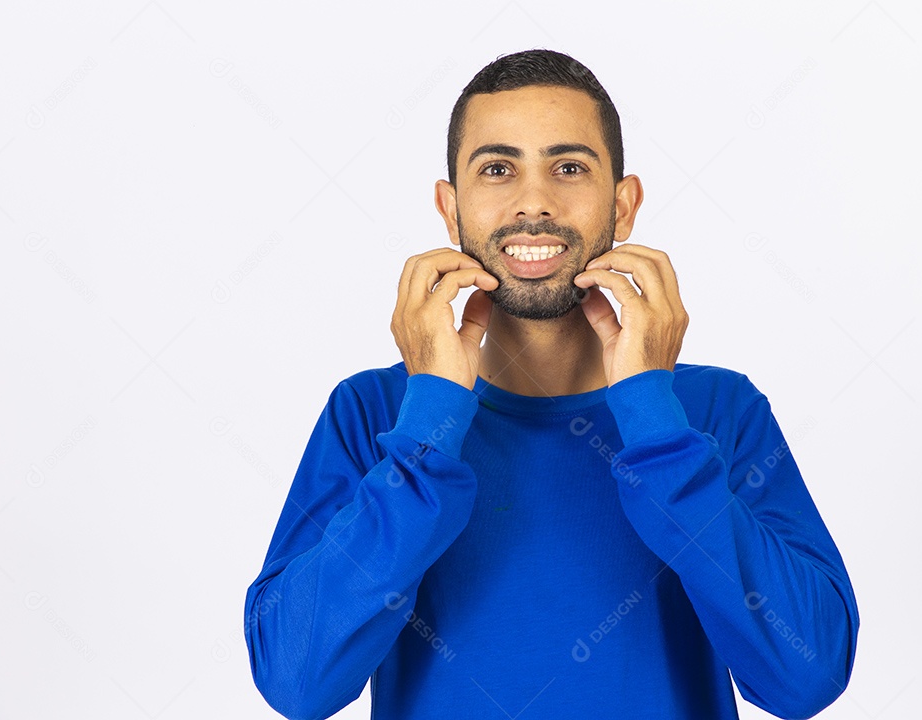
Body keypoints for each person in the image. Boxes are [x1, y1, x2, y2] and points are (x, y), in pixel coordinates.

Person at [244, 48, 859, 720]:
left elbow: (808, 677)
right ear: (450, 209)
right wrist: (430, 425)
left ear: (623, 206)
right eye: (498, 169)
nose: (534, 203)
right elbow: (296, 683)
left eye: (569, 168)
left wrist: (654, 419)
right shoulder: (373, 413)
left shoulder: (717, 410)